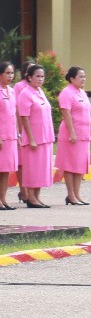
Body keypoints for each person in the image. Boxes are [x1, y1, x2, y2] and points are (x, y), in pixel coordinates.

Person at [16, 63, 54, 208]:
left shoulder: (39, 92)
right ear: (29, 77)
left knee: (41, 169)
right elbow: (24, 117)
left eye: (42, 76)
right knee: (32, 169)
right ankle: (31, 198)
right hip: (34, 138)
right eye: (37, 76)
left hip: (45, 137)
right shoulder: (26, 93)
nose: (40, 79)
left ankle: (37, 197)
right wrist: (30, 137)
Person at [55, 66, 91, 205]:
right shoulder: (67, 93)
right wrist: (72, 132)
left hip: (83, 135)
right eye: (80, 77)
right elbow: (66, 114)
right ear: (72, 79)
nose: (84, 79)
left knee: (80, 166)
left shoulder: (82, 92)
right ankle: (70, 195)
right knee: (70, 165)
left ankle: (77, 194)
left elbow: (87, 114)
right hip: (71, 135)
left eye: (84, 76)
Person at [0, 61, 17, 210]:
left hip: (10, 135)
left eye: (12, 73)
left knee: (5, 169)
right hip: (1, 136)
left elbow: (13, 114)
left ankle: (3, 198)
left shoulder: (11, 91)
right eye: (7, 73)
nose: (10, 76)